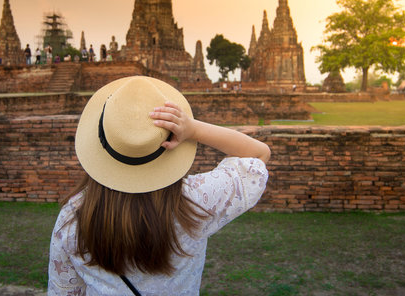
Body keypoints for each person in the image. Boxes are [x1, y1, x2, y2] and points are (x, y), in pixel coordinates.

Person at [48, 76, 270, 295]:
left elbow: (64, 291)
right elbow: (259, 154)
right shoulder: (197, 201)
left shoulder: (74, 217)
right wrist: (193, 129)